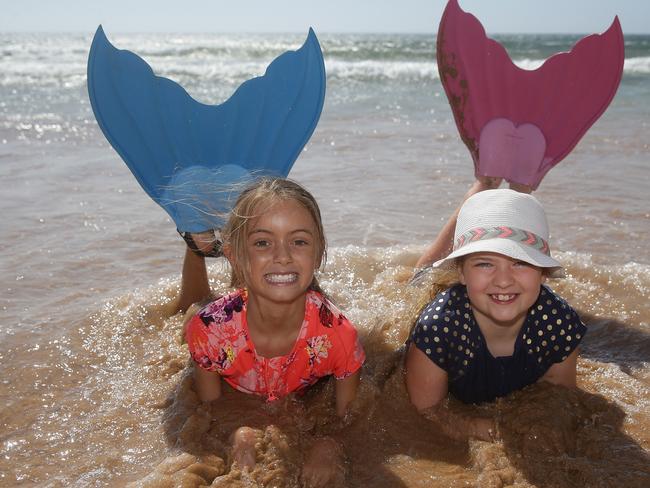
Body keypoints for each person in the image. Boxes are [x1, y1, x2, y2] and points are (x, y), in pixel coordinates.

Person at [181, 177, 365, 487]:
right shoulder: (209, 331)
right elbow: (212, 409)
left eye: (299, 241)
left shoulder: (338, 336)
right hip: (226, 327)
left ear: (319, 252)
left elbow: (351, 416)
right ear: (235, 254)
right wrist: (238, 432)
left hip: (305, 380)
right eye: (263, 242)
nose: (283, 256)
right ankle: (194, 244)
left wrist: (328, 446)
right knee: (187, 309)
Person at [404, 181, 586, 441]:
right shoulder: (437, 328)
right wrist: (477, 428)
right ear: (461, 273)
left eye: (520, 263)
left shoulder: (559, 323)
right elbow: (423, 411)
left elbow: (559, 398)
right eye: (485, 264)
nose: (503, 280)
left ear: (543, 274)